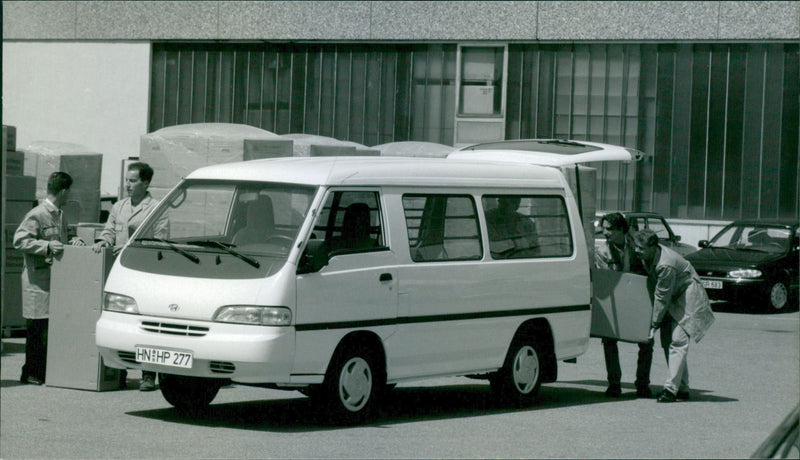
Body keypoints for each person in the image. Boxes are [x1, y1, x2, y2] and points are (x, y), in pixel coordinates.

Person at [92, 162, 164, 391]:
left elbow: (159, 242)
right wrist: (104, 241)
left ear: (146, 183)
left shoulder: (156, 208)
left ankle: (149, 374)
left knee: (146, 325)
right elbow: (109, 231)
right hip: (120, 274)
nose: (127, 185)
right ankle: (120, 371)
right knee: (121, 323)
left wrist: (128, 249)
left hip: (144, 275)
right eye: (127, 180)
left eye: (132, 181)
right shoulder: (119, 207)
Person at [13, 171, 86, 385]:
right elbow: (20, 240)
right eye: (69, 191)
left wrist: (74, 241)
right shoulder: (38, 214)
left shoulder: (60, 215)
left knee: (47, 331)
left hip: (54, 282)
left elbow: (63, 238)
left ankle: (40, 371)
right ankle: (31, 372)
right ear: (63, 191)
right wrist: (45, 246)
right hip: (37, 283)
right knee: (37, 330)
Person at [632, 229, 716, 403]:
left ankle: (671, 390)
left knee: (678, 342)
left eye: (641, 248)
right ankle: (683, 388)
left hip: (687, 296)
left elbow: (661, 297)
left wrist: (653, 325)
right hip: (674, 296)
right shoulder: (648, 256)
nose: (637, 251)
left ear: (653, 247)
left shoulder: (665, 264)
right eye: (636, 247)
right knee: (667, 343)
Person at [595, 212, 654, 398]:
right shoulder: (602, 252)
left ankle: (642, 384)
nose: (605, 233)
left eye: (609, 229)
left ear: (621, 230)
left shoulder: (638, 245)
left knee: (646, 342)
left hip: (640, 299)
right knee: (609, 340)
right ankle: (614, 383)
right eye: (603, 229)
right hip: (616, 299)